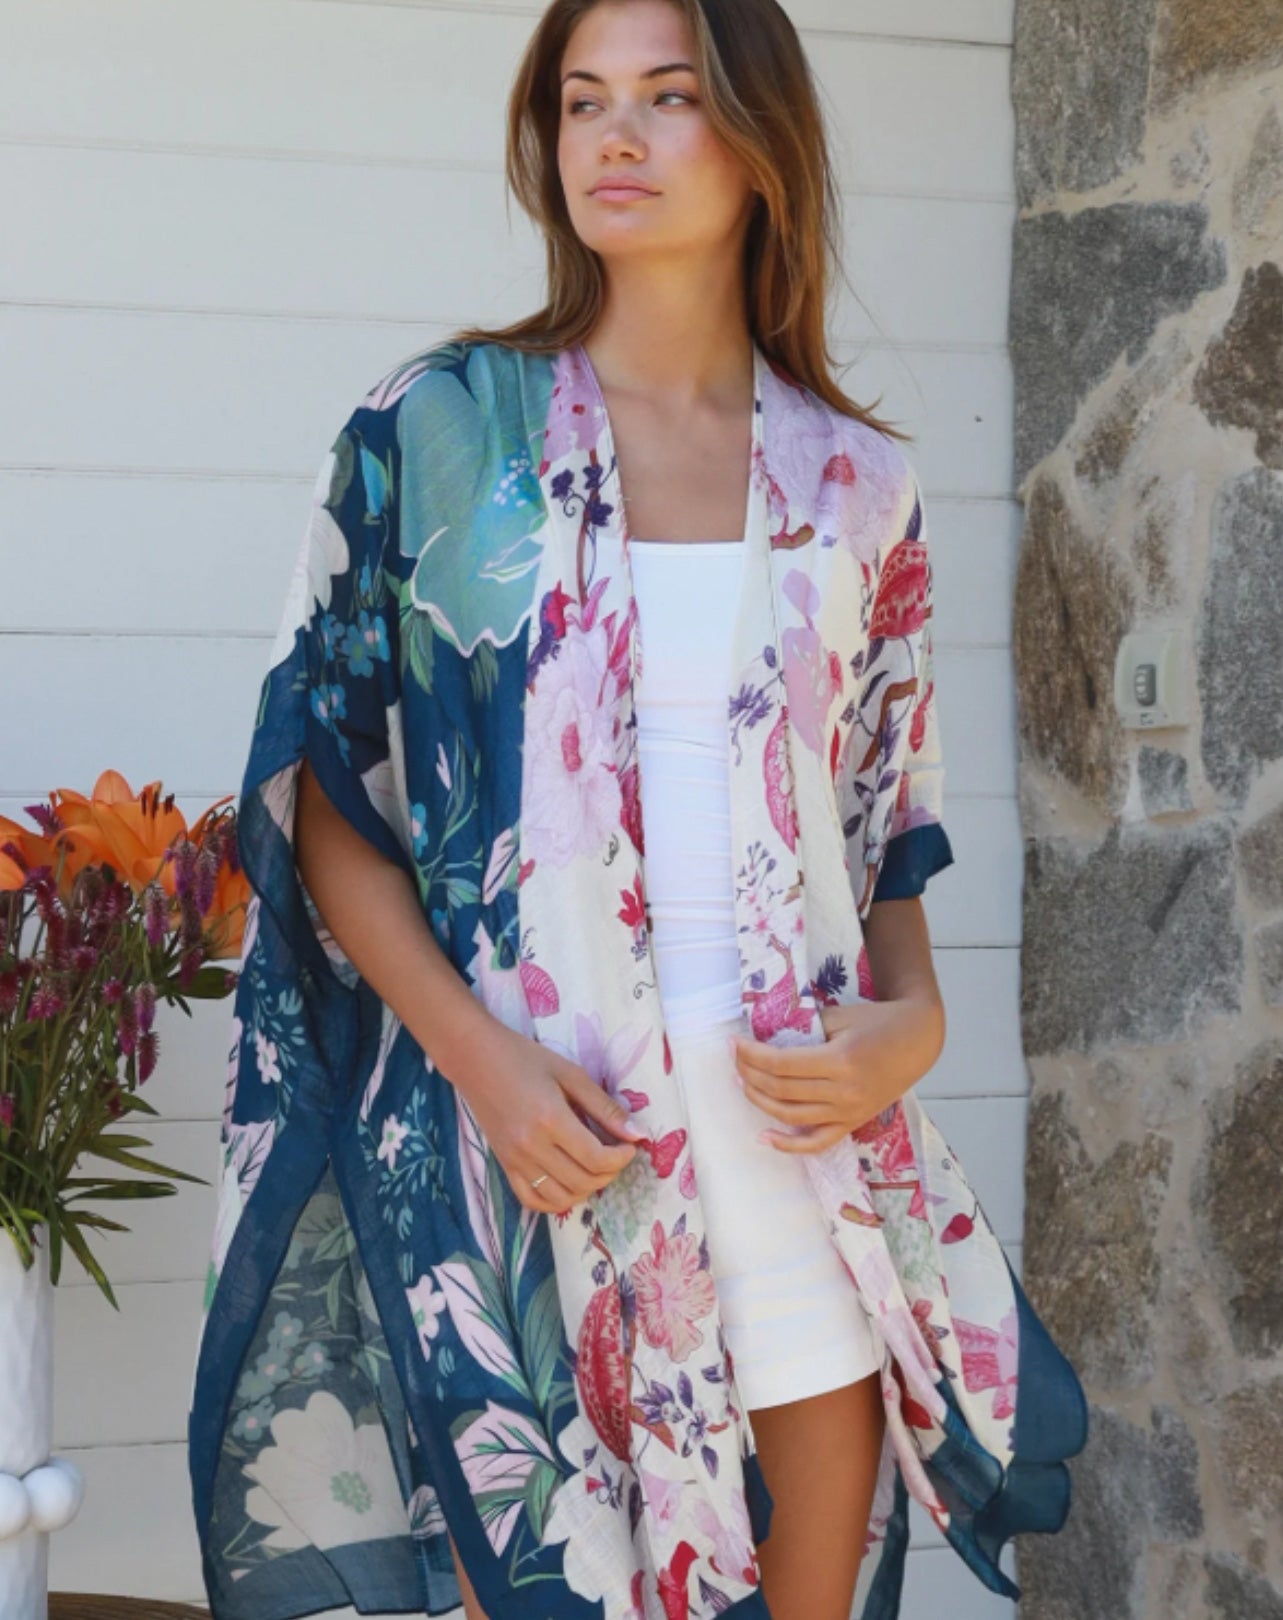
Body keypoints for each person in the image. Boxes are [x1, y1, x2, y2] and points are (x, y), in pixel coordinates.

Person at [188, 2, 1088, 1617]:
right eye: (582, 99)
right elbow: (330, 802)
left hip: (795, 1171)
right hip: (540, 1171)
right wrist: (483, 1065)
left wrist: (913, 1030)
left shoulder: (857, 487)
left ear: (758, 140)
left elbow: (886, 849)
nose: (613, 134)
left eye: (667, 96)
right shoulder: (438, 434)